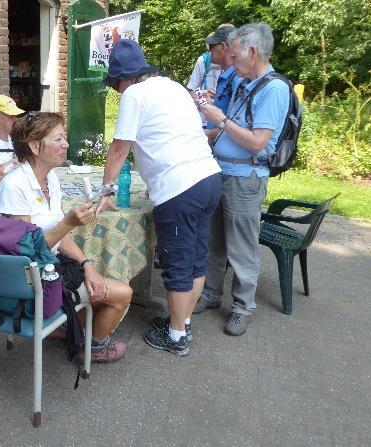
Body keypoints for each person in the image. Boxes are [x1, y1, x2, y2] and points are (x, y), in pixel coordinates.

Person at [97, 39, 222, 357]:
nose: (117, 92)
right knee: (195, 257)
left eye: (115, 86)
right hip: (208, 178)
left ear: (122, 79)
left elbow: (118, 149)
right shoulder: (174, 87)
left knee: (177, 264)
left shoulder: (134, 95)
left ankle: (177, 337)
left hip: (179, 189)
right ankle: (182, 321)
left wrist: (106, 191)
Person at [0, 112, 132, 363]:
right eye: (58, 139)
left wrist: (87, 265)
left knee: (99, 285)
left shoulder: (49, 178)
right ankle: (93, 347)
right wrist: (69, 222)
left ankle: (65, 327)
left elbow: (58, 236)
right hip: (27, 281)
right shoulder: (14, 185)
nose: (66, 144)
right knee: (122, 294)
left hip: (48, 268)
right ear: (35, 146)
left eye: (64, 137)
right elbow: (23, 253)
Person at [199, 23, 291, 336]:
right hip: (221, 172)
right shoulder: (245, 82)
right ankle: (211, 294)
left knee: (241, 246)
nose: (230, 60)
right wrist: (203, 132)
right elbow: (229, 129)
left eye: (235, 55)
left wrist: (219, 119)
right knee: (214, 241)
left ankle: (242, 307)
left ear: (252, 52)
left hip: (245, 179)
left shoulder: (274, 89)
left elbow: (256, 142)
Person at [202, 24, 241, 135]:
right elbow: (224, 116)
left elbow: (239, 126)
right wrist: (210, 105)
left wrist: (209, 134)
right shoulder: (227, 76)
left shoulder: (237, 78)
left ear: (223, 47)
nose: (209, 51)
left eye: (211, 47)